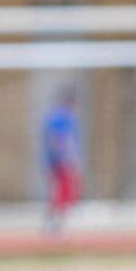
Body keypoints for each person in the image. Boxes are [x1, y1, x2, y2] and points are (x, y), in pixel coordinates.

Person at [41, 86, 82, 236]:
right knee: (58, 194)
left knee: (64, 195)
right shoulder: (59, 117)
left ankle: (58, 225)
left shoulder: (70, 118)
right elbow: (56, 140)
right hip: (59, 163)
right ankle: (53, 225)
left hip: (62, 162)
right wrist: (65, 159)